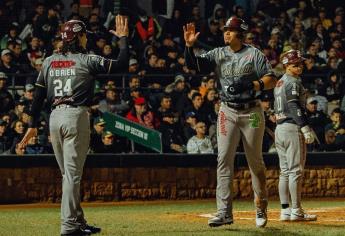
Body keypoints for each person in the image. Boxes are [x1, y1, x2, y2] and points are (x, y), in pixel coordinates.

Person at [19, 16, 129, 236]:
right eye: (84, 34)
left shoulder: (49, 61)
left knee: (67, 175)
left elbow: (38, 95)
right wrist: (124, 39)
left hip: (54, 118)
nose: (86, 38)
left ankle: (78, 221)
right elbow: (121, 65)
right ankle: (69, 226)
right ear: (79, 36)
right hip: (75, 117)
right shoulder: (86, 59)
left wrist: (32, 123)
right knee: (72, 175)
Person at [183, 16, 277, 228]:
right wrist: (189, 47)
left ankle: (260, 205)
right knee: (224, 160)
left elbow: (272, 79)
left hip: (252, 111)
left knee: (255, 162)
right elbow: (194, 65)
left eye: (231, 30)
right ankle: (224, 212)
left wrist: (251, 85)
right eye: (225, 30)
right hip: (227, 111)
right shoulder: (218, 53)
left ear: (240, 34)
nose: (226, 33)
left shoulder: (254, 54)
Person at [273, 49, 317, 222]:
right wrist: (305, 127)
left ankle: (285, 210)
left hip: (280, 129)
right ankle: (296, 210)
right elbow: (293, 106)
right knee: (295, 172)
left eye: (300, 63)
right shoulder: (292, 82)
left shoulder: (280, 82)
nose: (299, 67)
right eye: (295, 64)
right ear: (286, 65)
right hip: (292, 127)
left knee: (285, 172)